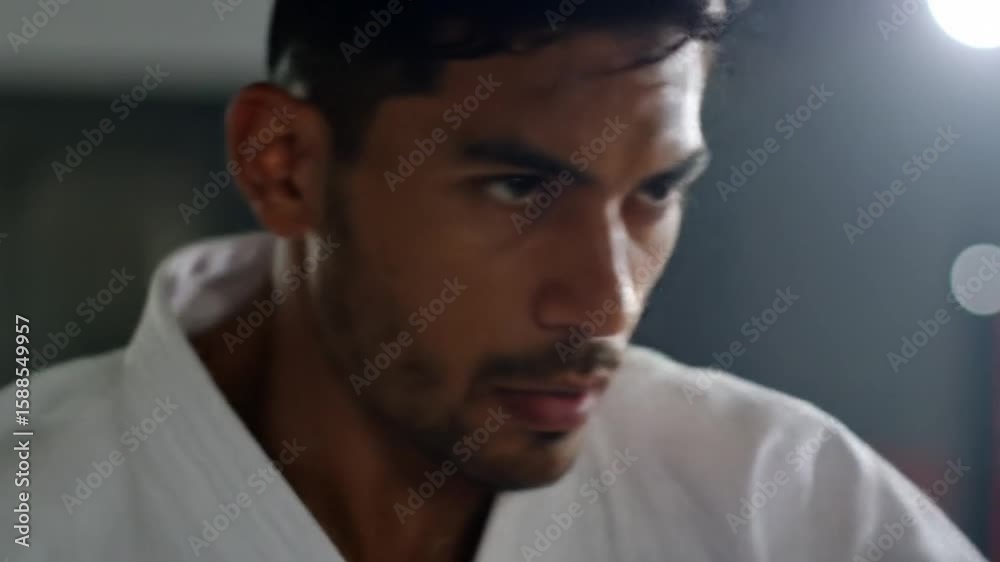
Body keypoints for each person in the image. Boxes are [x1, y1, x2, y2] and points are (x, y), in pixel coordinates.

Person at [0, 1, 986, 560]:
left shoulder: (788, 507)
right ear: (285, 166)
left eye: (654, 192)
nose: (605, 304)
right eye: (519, 188)